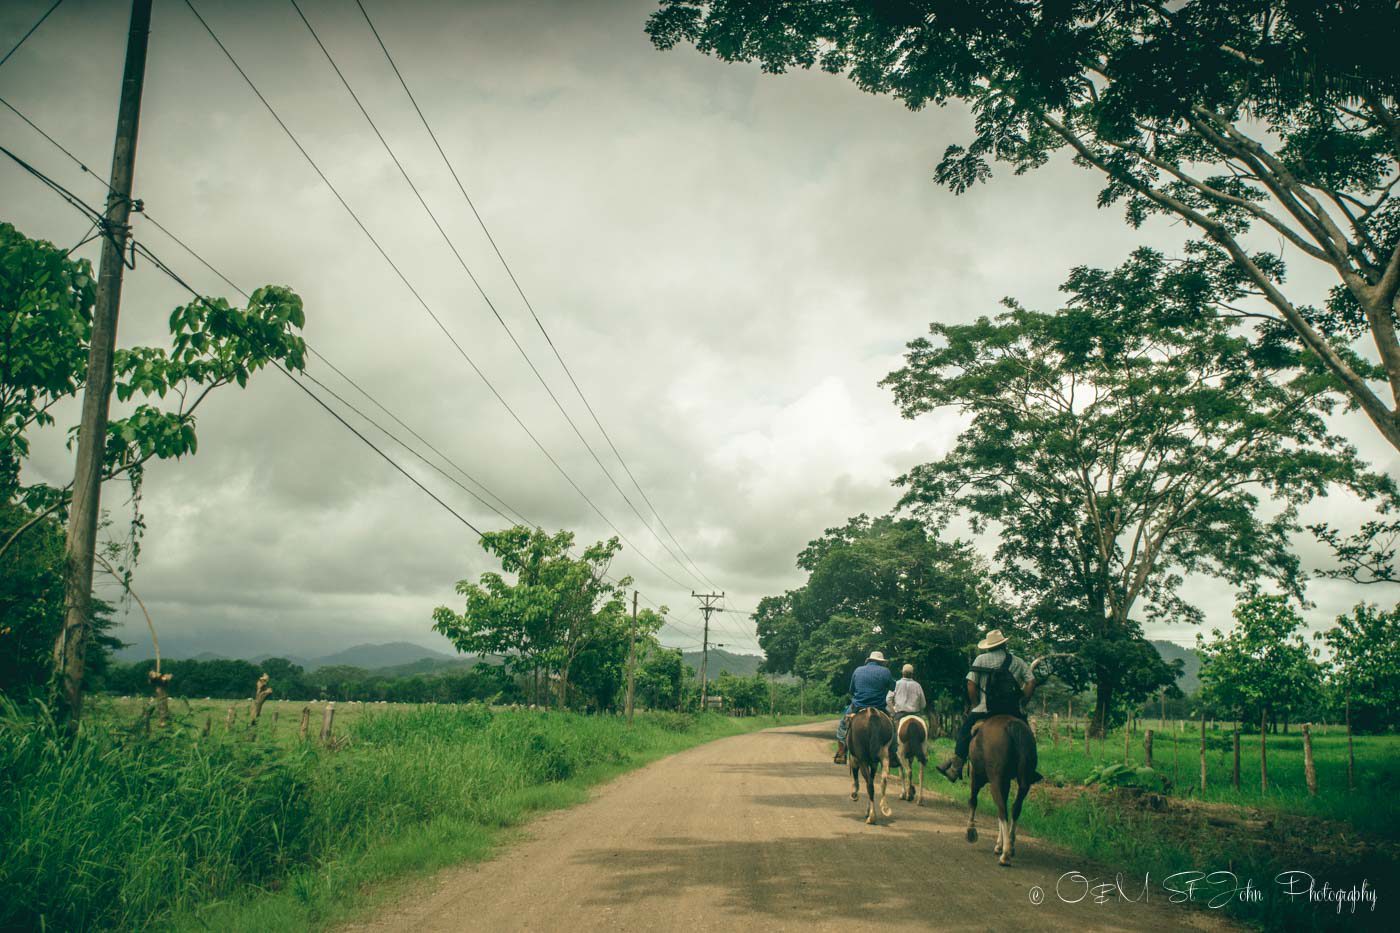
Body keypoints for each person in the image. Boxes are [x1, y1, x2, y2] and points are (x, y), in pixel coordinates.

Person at [936, 629, 1036, 782]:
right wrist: (1023, 701)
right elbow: (1031, 681)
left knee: (964, 732)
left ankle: (956, 767)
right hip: (1012, 710)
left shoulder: (980, 660)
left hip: (985, 710)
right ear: (1004, 644)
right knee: (1027, 735)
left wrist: (976, 704)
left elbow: (971, 684)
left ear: (989, 646)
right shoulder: (1017, 661)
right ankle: (1030, 770)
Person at [833, 650, 895, 764]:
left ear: (869, 660)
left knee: (843, 725)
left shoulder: (858, 670)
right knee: (892, 724)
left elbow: (851, 690)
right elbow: (893, 687)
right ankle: (893, 754)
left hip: (858, 706)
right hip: (879, 707)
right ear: (881, 662)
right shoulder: (886, 672)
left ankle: (841, 753)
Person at [891, 663, 927, 729]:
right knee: (924, 726)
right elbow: (923, 704)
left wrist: (893, 711)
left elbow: (888, 699)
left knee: (893, 732)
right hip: (915, 714)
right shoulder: (917, 685)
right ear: (912, 674)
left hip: (900, 714)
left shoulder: (896, 684)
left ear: (902, 673)